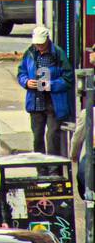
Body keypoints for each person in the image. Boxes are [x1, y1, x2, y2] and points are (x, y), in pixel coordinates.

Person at [17, 25, 74, 156]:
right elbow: (21, 73)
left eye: (41, 44)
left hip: (53, 103)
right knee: (37, 138)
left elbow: (68, 78)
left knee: (52, 137)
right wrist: (26, 82)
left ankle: (54, 170)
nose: (39, 46)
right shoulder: (30, 53)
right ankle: (41, 170)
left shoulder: (58, 54)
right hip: (36, 102)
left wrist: (51, 85)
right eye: (37, 44)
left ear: (47, 40)